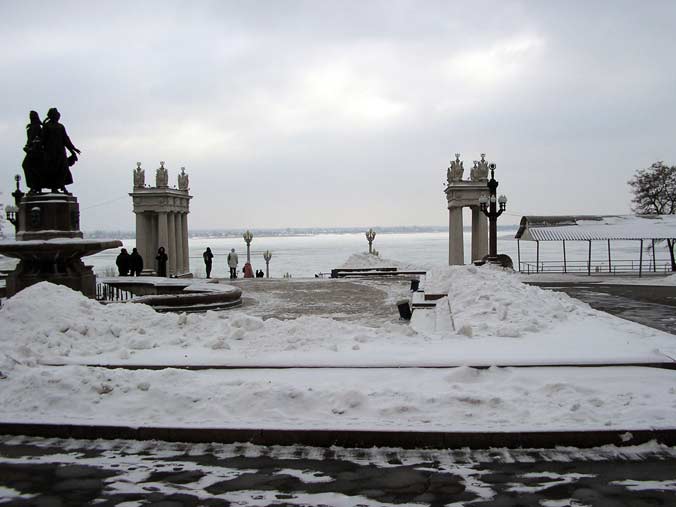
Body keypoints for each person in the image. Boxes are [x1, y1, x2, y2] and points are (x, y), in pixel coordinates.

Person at [42, 107, 80, 194]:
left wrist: (73, 149)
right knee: (52, 169)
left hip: (60, 152)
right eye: (56, 115)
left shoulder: (60, 126)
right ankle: (54, 187)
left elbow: (65, 139)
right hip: (50, 152)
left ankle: (61, 185)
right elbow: (43, 139)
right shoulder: (47, 126)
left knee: (63, 169)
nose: (57, 117)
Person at [21, 110, 44, 194]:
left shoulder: (37, 127)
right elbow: (30, 140)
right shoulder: (31, 127)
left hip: (36, 152)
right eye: (30, 116)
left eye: (32, 116)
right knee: (28, 166)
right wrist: (27, 146)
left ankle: (35, 187)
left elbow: (39, 139)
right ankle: (34, 186)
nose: (31, 117)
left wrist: (33, 147)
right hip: (31, 151)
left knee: (32, 167)